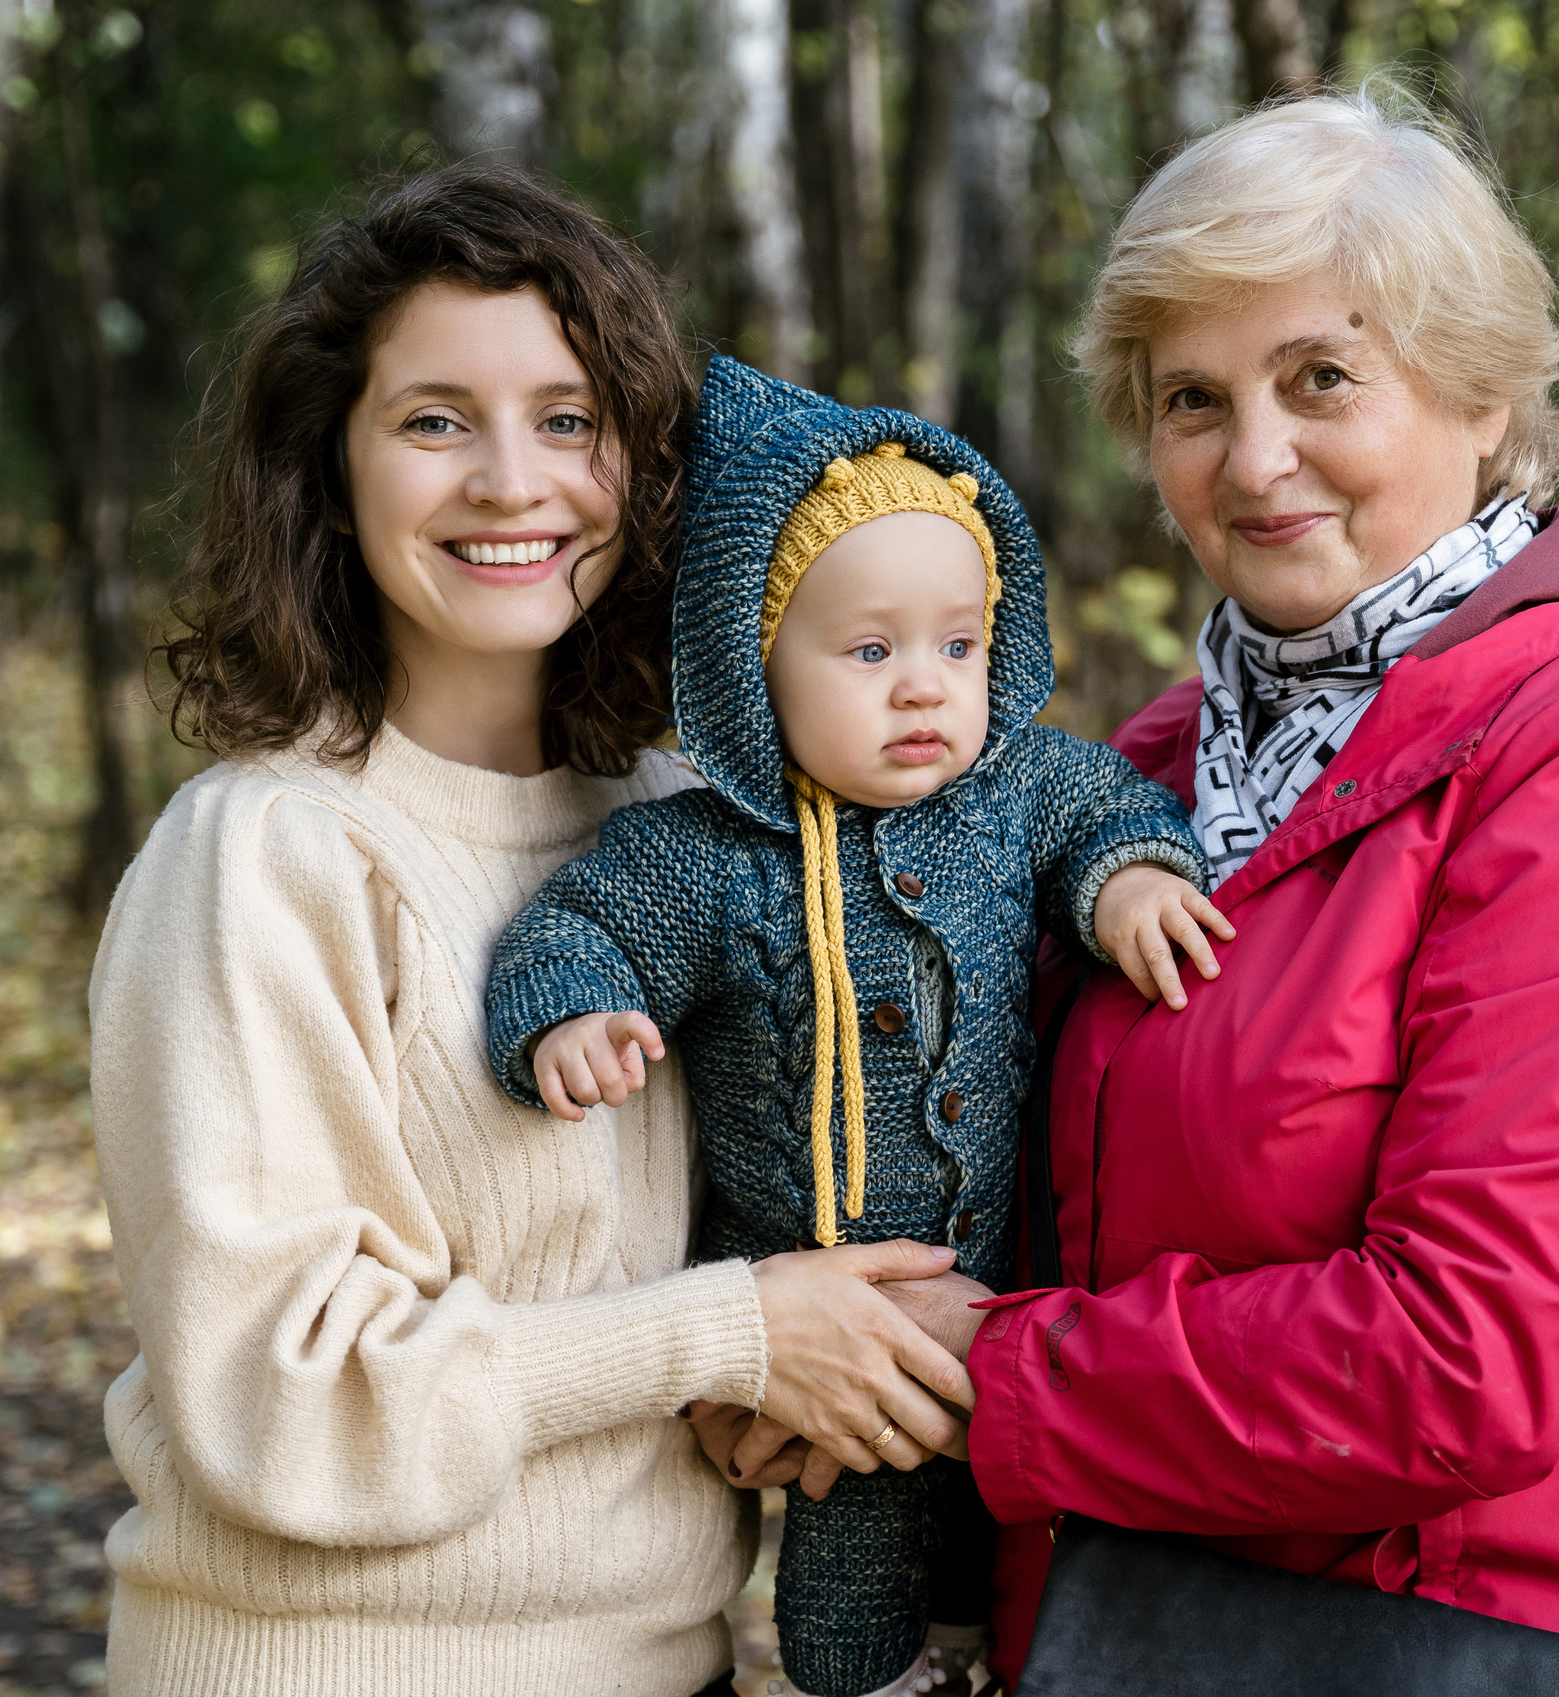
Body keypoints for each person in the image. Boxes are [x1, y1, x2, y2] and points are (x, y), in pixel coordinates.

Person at [874, 81, 1559, 1687]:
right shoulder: (1150, 769)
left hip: (1440, 1649)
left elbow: (1473, 1359)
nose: (1256, 459)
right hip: (1103, 1638)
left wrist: (988, 1381)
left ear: (1480, 394)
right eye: (1191, 401)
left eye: (1322, 379)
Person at [86, 166, 976, 1697]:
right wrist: (726, 1336)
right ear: (332, 465)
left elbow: (767, 1248)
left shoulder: (695, 819)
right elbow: (278, 1408)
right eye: (435, 420)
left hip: (665, 1663)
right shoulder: (261, 856)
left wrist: (809, 1360)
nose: (514, 483)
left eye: (569, 421)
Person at [482, 358, 1222, 1697]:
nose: (926, 688)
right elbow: (578, 927)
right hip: (817, 1328)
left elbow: (1110, 811)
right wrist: (572, 1015)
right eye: (870, 652)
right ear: (753, 670)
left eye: (959, 644)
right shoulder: (708, 854)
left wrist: (1132, 884)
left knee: (1021, 1561)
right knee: (854, 1579)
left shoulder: (1018, 789)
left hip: (1011, 1295)